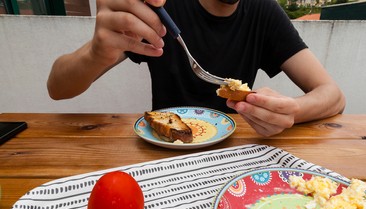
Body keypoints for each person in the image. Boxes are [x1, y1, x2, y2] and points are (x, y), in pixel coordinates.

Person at [47, 0, 345, 137]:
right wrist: (96, 52)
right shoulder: (161, 10)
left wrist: (289, 110)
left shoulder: (263, 11)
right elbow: (57, 88)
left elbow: (333, 96)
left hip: (237, 156)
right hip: (165, 150)